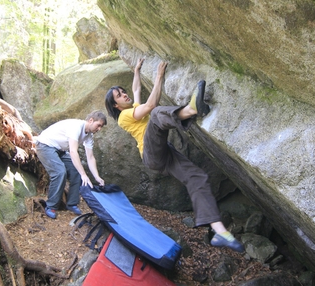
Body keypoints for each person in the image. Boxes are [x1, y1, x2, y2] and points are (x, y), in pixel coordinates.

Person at [104, 59, 244, 252]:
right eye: (119, 95)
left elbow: (136, 90)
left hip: (163, 153)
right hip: (151, 154)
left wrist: (136, 70)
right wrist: (159, 76)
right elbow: (151, 104)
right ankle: (190, 110)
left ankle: (219, 231)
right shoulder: (123, 117)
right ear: (116, 105)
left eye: (123, 91)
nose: (124, 94)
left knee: (196, 177)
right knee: (155, 115)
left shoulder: (132, 107)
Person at [35, 111, 107, 219]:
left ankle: (72, 203)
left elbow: (90, 157)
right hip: (45, 146)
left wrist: (97, 177)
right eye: (98, 125)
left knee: (76, 171)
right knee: (59, 172)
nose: (99, 129)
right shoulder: (76, 126)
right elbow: (73, 152)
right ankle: (51, 206)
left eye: (101, 127)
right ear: (91, 120)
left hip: (60, 149)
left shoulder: (89, 135)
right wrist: (83, 174)